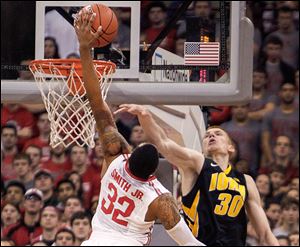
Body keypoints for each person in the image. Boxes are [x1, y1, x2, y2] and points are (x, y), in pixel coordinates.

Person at [74, 8, 204, 246]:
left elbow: (98, 104)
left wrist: (85, 49)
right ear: (152, 174)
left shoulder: (115, 156)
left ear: (129, 155)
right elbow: (190, 244)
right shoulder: (161, 199)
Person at [116, 97, 282, 246]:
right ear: (202, 147)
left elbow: (265, 233)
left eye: (218, 134)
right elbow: (163, 142)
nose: (211, 136)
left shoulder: (245, 180)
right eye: (207, 135)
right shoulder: (197, 164)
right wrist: (145, 115)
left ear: (230, 147)